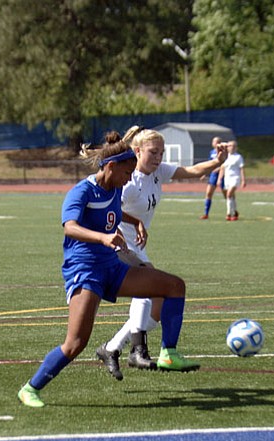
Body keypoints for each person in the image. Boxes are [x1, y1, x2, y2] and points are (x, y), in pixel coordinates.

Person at [17, 131, 200, 408]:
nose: (130, 178)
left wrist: (136, 221)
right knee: (75, 343)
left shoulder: (114, 188)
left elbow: (116, 209)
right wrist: (103, 237)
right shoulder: (82, 191)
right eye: (127, 172)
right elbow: (70, 226)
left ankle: (168, 353)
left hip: (112, 268)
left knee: (174, 286)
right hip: (85, 271)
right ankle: (31, 388)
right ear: (111, 167)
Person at [97, 126, 226, 379]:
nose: (158, 158)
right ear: (137, 151)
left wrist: (217, 162)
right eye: (153, 152)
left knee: (158, 306)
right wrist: (135, 223)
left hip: (137, 247)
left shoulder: (158, 172)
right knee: (148, 288)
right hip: (118, 244)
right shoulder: (128, 179)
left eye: (161, 153)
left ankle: (111, 348)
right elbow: (108, 209)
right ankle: (138, 350)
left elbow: (191, 171)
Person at [199, 136, 227, 219]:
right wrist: (204, 173)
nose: (214, 143)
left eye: (216, 141)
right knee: (209, 193)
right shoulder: (211, 152)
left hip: (223, 175)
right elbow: (209, 164)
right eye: (214, 141)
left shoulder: (224, 152)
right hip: (213, 175)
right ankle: (206, 213)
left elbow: (226, 163)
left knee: (226, 194)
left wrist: (219, 168)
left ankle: (231, 211)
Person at [220, 140, 246, 221]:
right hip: (227, 178)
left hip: (235, 178)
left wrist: (243, 180)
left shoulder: (238, 157)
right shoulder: (225, 157)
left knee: (228, 195)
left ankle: (228, 214)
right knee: (232, 196)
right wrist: (219, 179)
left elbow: (241, 169)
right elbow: (222, 168)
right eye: (229, 146)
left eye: (232, 146)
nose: (230, 148)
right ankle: (235, 212)